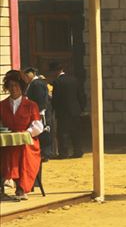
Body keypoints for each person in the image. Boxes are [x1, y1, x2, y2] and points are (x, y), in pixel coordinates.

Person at [1, 70, 43, 201]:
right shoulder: (2, 105)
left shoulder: (31, 105)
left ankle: (21, 186)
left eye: (16, 86)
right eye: (11, 86)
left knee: (22, 152)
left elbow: (38, 126)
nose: (13, 89)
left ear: (22, 87)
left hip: (27, 142)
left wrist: (27, 133)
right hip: (7, 143)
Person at [49, 61, 85, 159]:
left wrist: (54, 109)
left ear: (55, 71)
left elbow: (56, 98)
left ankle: (63, 153)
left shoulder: (57, 82)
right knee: (76, 132)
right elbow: (81, 95)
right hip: (75, 110)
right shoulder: (74, 80)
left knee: (63, 133)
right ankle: (78, 151)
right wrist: (81, 108)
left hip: (63, 112)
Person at [23, 67, 53, 162]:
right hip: (38, 111)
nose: (26, 77)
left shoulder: (36, 84)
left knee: (43, 132)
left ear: (33, 73)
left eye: (27, 74)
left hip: (40, 112)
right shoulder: (34, 83)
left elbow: (40, 99)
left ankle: (45, 153)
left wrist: (40, 111)